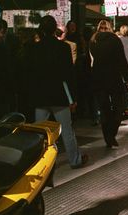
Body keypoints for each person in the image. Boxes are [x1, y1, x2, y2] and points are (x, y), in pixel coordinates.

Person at [26, 15, 88, 169]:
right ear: (55, 29)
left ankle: (39, 163)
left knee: (40, 132)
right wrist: (72, 97)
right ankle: (75, 160)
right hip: (59, 95)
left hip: (40, 96)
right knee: (67, 130)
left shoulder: (34, 48)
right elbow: (68, 75)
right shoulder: (63, 48)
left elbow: (30, 73)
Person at [89, 19, 128, 149]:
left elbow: (89, 61)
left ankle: (108, 137)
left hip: (98, 79)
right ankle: (112, 134)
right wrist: (127, 77)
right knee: (118, 107)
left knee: (104, 109)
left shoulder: (93, 41)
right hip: (114, 78)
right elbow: (121, 60)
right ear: (110, 27)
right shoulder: (115, 40)